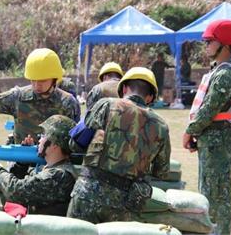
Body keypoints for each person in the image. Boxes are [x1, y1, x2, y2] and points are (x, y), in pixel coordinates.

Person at [67, 67, 171, 223]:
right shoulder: (161, 126)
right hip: (126, 204)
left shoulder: (106, 105)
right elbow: (161, 172)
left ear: (123, 88)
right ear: (149, 97)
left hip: (88, 194)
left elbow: (76, 143)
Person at [182, 19, 231, 235]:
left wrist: (190, 130)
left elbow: (209, 109)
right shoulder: (220, 70)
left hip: (218, 139)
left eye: (210, 40)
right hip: (213, 138)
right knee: (210, 193)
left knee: (216, 196)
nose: (205, 44)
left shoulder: (227, 74)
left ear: (225, 45)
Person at [0, 115, 77, 216]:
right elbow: (19, 180)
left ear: (55, 144)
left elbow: (15, 192)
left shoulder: (58, 176)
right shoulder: (51, 167)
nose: (39, 140)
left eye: (43, 136)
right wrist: (22, 163)